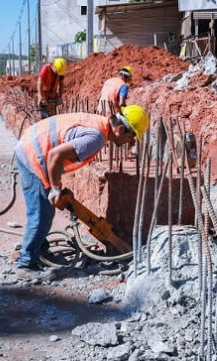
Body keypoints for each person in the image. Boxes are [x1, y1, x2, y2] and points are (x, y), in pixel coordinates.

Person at [13, 105, 150, 279]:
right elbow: (55, 156)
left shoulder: (99, 123)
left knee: (43, 212)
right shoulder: (96, 138)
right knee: (41, 214)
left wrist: (55, 185)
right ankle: (26, 264)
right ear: (121, 129)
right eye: (131, 137)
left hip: (33, 147)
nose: (130, 143)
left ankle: (40, 251)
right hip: (34, 156)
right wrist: (55, 187)